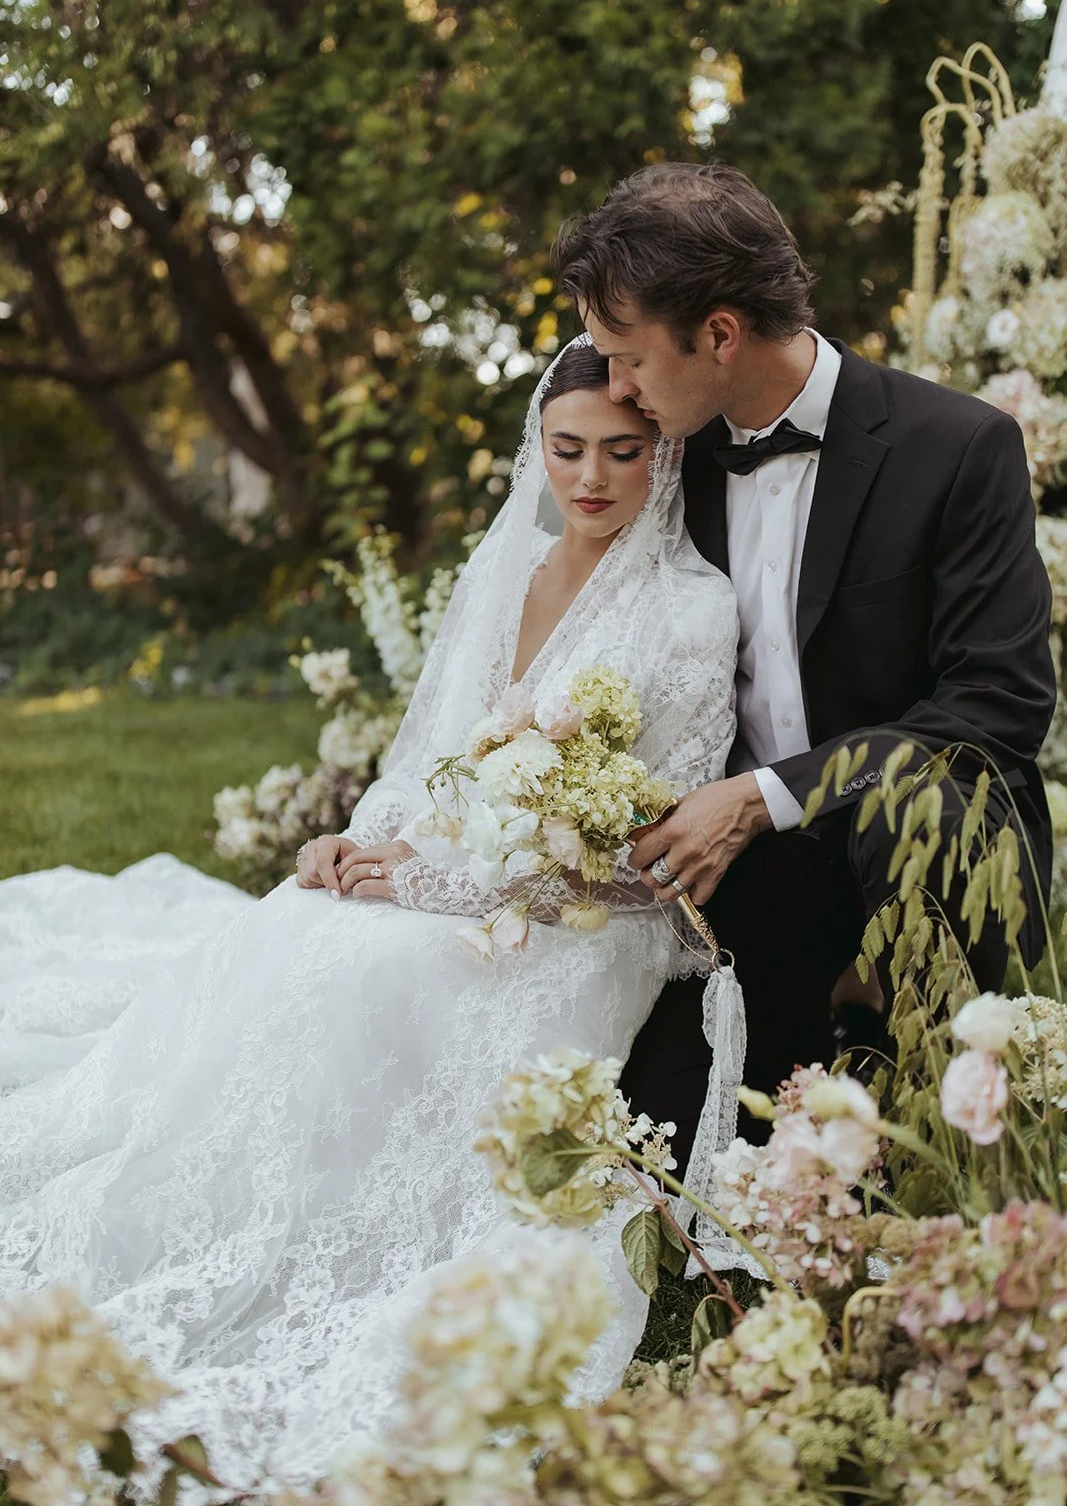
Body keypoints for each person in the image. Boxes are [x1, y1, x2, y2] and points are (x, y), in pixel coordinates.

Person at [0, 341, 738, 1488]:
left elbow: (646, 872)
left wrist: (433, 883)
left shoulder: (691, 610)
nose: (590, 478)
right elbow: (425, 758)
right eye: (567, 449)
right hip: (452, 873)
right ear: (535, 451)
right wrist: (358, 838)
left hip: (582, 931)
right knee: (295, 932)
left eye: (621, 451)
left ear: (666, 453)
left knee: (364, 971)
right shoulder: (508, 569)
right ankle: (213, 1208)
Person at [553, 161, 1057, 1166]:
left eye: (627, 358)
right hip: (738, 878)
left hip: (912, 846)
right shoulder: (656, 457)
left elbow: (995, 706)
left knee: (925, 811)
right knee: (659, 1153)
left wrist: (762, 796)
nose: (614, 388)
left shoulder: (957, 447)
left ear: (719, 334)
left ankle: (933, 1097)